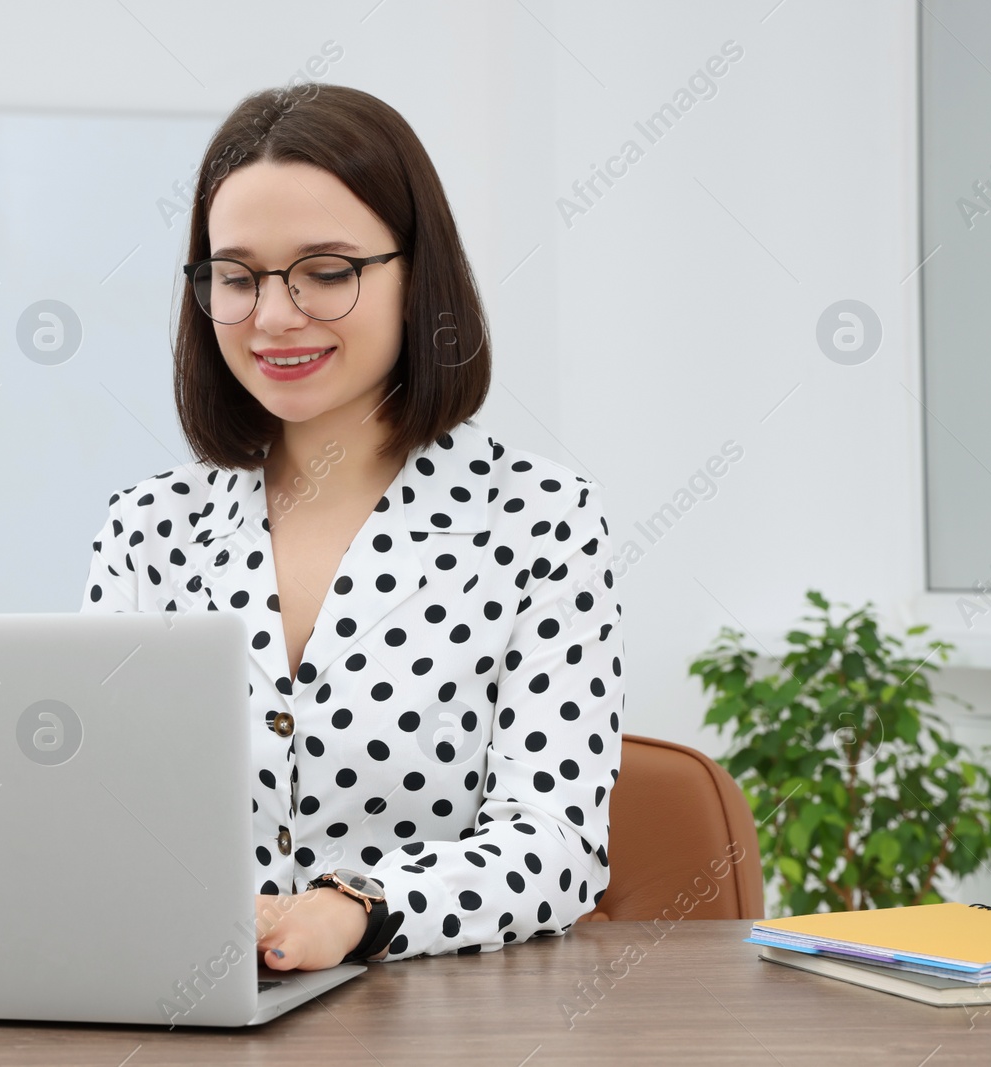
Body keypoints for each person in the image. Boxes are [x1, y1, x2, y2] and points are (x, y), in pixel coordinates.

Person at [81, 84, 624, 973]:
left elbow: (559, 843)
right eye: (236, 275)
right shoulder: (148, 528)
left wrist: (353, 911)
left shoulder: (539, 521)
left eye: (327, 272)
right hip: (190, 1014)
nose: (274, 316)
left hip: (434, 1018)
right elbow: (98, 816)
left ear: (417, 274)